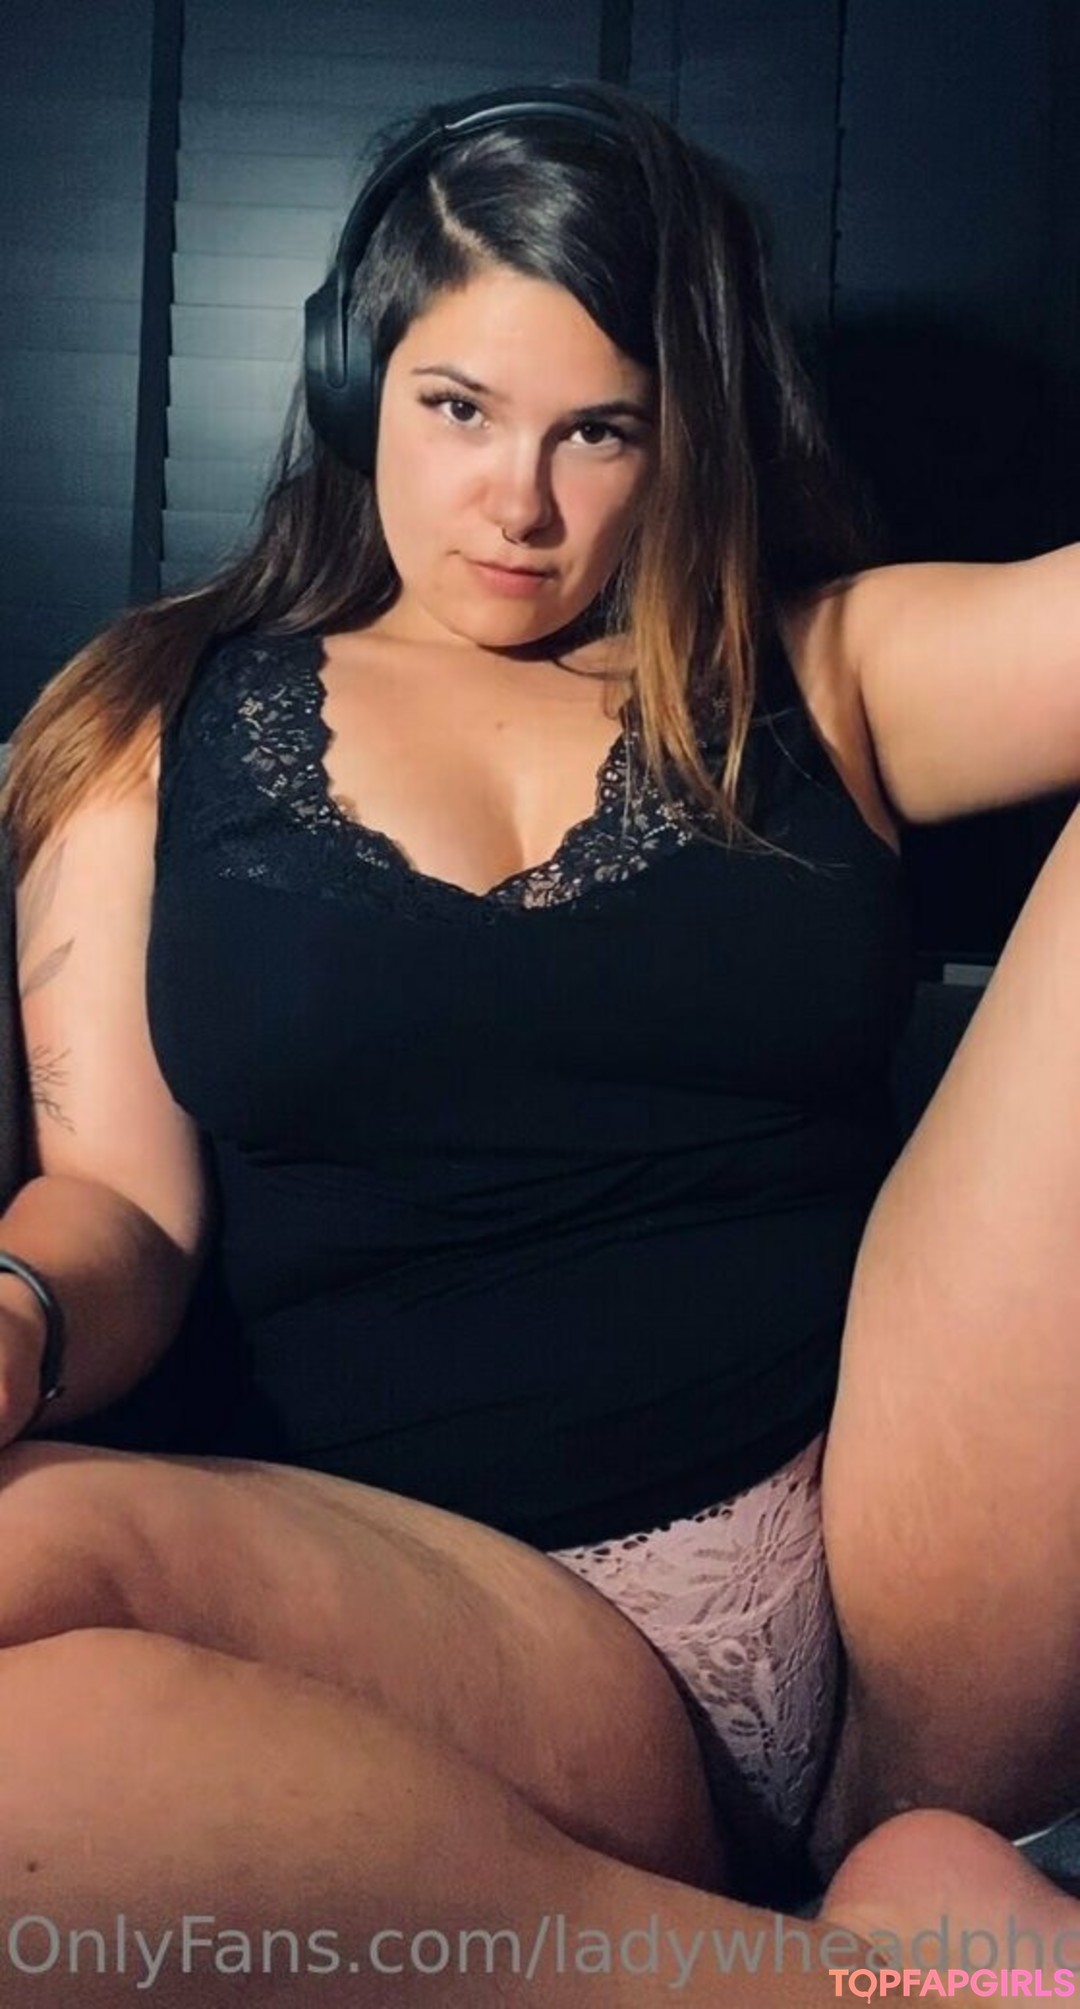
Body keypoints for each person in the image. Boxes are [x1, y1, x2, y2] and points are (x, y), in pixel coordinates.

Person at [0, 76, 1076, 2007]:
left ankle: (904, 1851)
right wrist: (15, 1307)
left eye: (602, 429)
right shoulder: (153, 722)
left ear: (685, 439)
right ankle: (873, 1966)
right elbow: (124, 1216)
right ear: (357, 389)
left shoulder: (822, 672)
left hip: (898, 1557)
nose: (521, 502)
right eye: (460, 409)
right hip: (454, 1631)